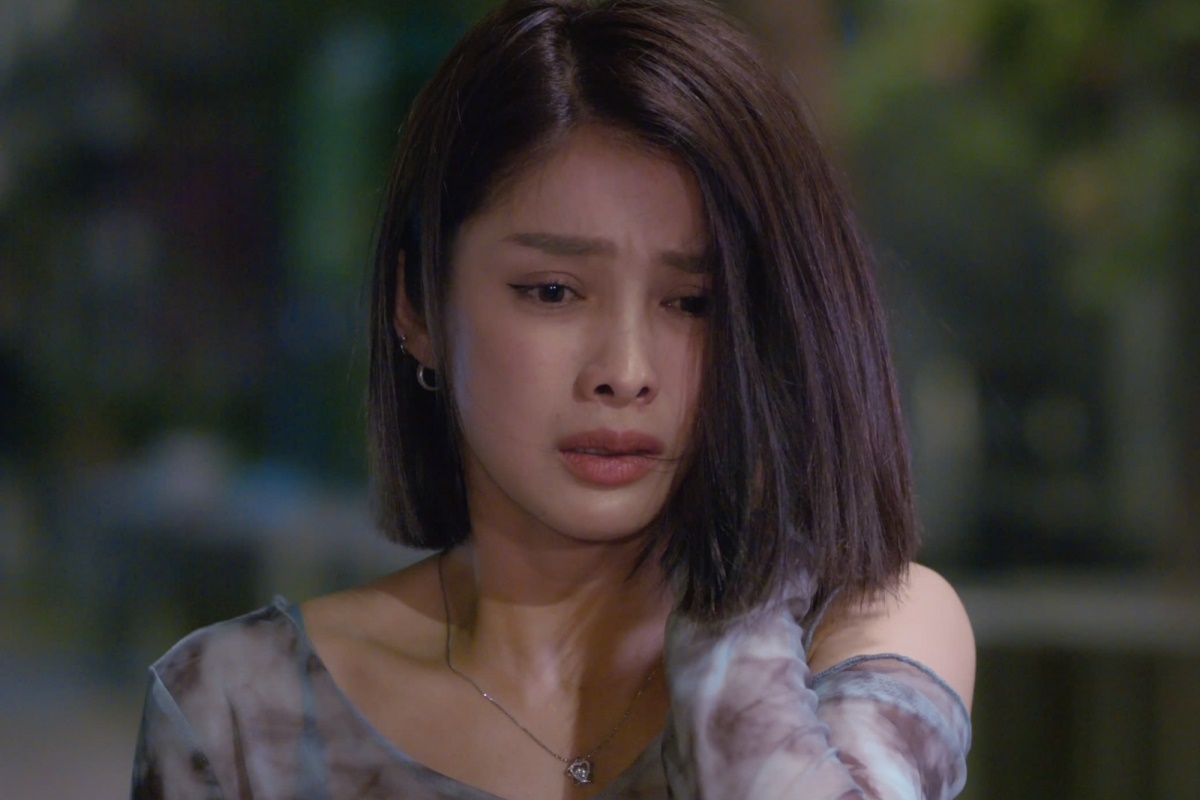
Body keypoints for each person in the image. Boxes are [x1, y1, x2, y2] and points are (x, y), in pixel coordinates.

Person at [131, 1, 975, 798]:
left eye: (693, 303)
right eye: (553, 292)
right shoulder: (241, 707)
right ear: (417, 306)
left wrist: (740, 597)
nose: (625, 371)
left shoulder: (866, 636)